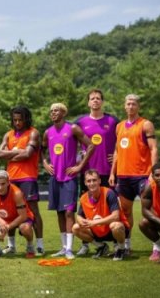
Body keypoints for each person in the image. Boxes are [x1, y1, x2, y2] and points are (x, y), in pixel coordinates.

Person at [42, 103, 94, 260]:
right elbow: (41, 150)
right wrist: (45, 163)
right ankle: (64, 247)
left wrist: (79, 166)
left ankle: (70, 249)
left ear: (63, 113)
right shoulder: (47, 132)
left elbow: (91, 145)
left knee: (69, 212)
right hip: (55, 178)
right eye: (51, 111)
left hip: (69, 178)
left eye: (56, 110)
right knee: (59, 212)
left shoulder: (73, 128)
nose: (53, 113)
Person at [109, 93, 158, 257]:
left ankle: (157, 247)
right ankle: (127, 245)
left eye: (133, 104)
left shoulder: (146, 124)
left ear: (138, 106)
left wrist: (153, 172)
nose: (130, 106)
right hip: (123, 176)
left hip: (143, 175)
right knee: (125, 212)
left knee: (148, 211)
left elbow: (153, 149)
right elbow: (116, 151)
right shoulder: (119, 126)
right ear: (124, 106)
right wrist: (113, 173)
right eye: (128, 104)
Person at [73, 89, 119, 256]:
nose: (95, 101)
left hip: (108, 172)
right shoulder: (80, 122)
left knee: (111, 207)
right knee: (86, 209)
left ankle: (118, 243)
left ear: (102, 101)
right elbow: (71, 143)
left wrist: (117, 157)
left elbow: (122, 141)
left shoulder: (113, 121)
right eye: (92, 98)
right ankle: (87, 244)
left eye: (98, 98)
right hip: (88, 173)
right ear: (88, 102)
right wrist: (77, 158)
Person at [0, 106, 44, 256]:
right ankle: (11, 246)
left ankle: (40, 245)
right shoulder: (8, 135)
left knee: (34, 210)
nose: (17, 122)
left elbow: (28, 154)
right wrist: (18, 152)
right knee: (11, 212)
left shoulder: (33, 133)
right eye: (15, 120)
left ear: (26, 119)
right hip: (11, 178)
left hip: (28, 177)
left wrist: (10, 154)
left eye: (20, 120)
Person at [73, 169, 129, 261]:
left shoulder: (109, 193)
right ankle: (101, 247)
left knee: (115, 225)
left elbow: (116, 216)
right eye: (89, 181)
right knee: (75, 228)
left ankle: (121, 249)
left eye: (94, 180)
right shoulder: (83, 198)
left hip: (113, 230)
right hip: (97, 231)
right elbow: (78, 216)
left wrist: (94, 223)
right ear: (85, 183)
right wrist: (82, 221)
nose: (92, 183)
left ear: (99, 181)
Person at [0, 170, 36, 258]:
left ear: (8, 182)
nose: (0, 187)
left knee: (25, 228)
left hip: (20, 217)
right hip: (4, 217)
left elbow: (23, 216)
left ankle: (30, 248)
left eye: (3, 184)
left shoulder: (17, 193)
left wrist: (6, 228)